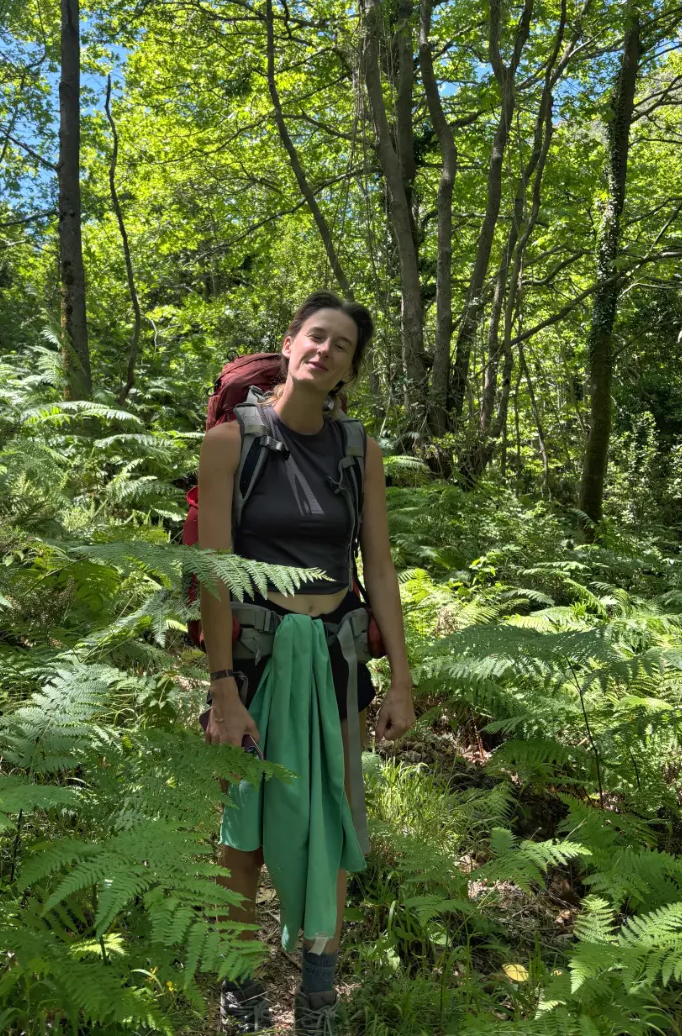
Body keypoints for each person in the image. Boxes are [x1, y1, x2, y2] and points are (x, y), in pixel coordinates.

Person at [197, 291, 416, 1034]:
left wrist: (402, 685)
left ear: (351, 368)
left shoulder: (358, 451)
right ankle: (239, 983)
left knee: (332, 816)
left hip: (335, 660)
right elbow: (216, 570)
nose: (325, 351)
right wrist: (223, 691)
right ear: (289, 344)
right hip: (256, 660)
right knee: (246, 826)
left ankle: (318, 992)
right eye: (315, 337)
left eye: (342, 345)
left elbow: (378, 567)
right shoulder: (231, 442)